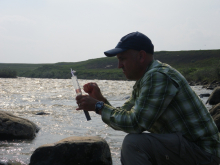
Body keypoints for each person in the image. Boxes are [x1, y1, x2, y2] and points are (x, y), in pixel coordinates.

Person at [76, 31, 220, 165]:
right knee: (136, 143)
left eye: (122, 59)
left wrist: (98, 107)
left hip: (204, 153)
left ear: (141, 56)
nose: (119, 66)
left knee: (134, 144)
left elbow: (134, 124)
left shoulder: (157, 77)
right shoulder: (146, 79)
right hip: (190, 148)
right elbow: (126, 115)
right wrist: (100, 100)